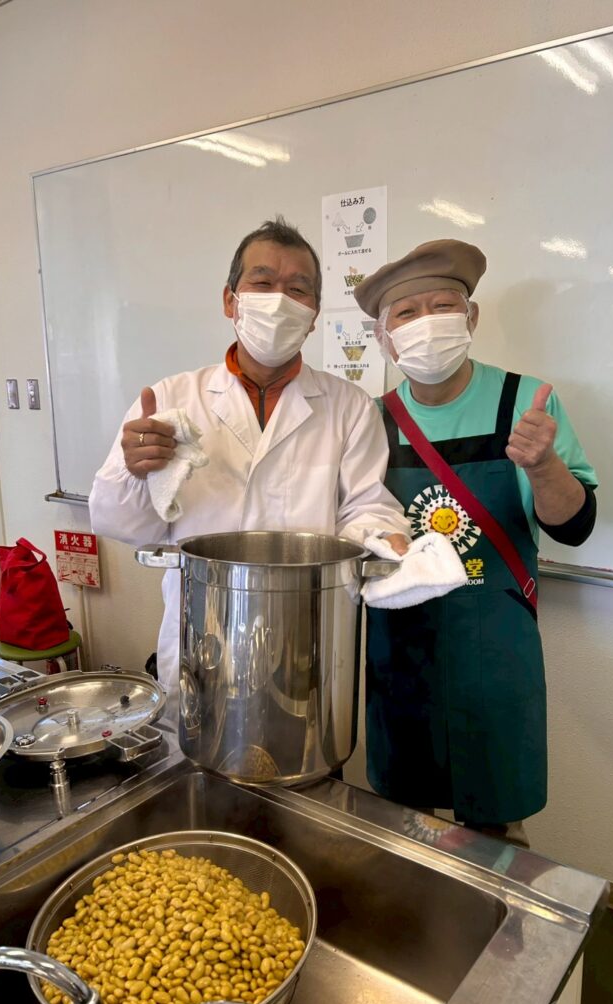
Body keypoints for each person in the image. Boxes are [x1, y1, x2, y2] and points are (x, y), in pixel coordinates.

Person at [89, 217, 409, 690]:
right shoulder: (171, 400)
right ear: (230, 300)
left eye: (297, 289)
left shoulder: (350, 406)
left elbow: (367, 507)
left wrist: (383, 537)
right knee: (197, 734)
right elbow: (117, 523)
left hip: (306, 634)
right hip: (203, 635)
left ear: (314, 314)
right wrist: (136, 473)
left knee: (307, 735)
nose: (279, 300)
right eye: (262, 283)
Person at [353, 239, 598, 842]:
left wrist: (544, 466)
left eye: (443, 306)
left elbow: (575, 526)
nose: (426, 323)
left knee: (497, 827)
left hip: (496, 645)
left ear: (471, 317)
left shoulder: (526, 402)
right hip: (400, 645)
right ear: (384, 339)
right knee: (405, 825)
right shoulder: (370, 419)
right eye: (406, 314)